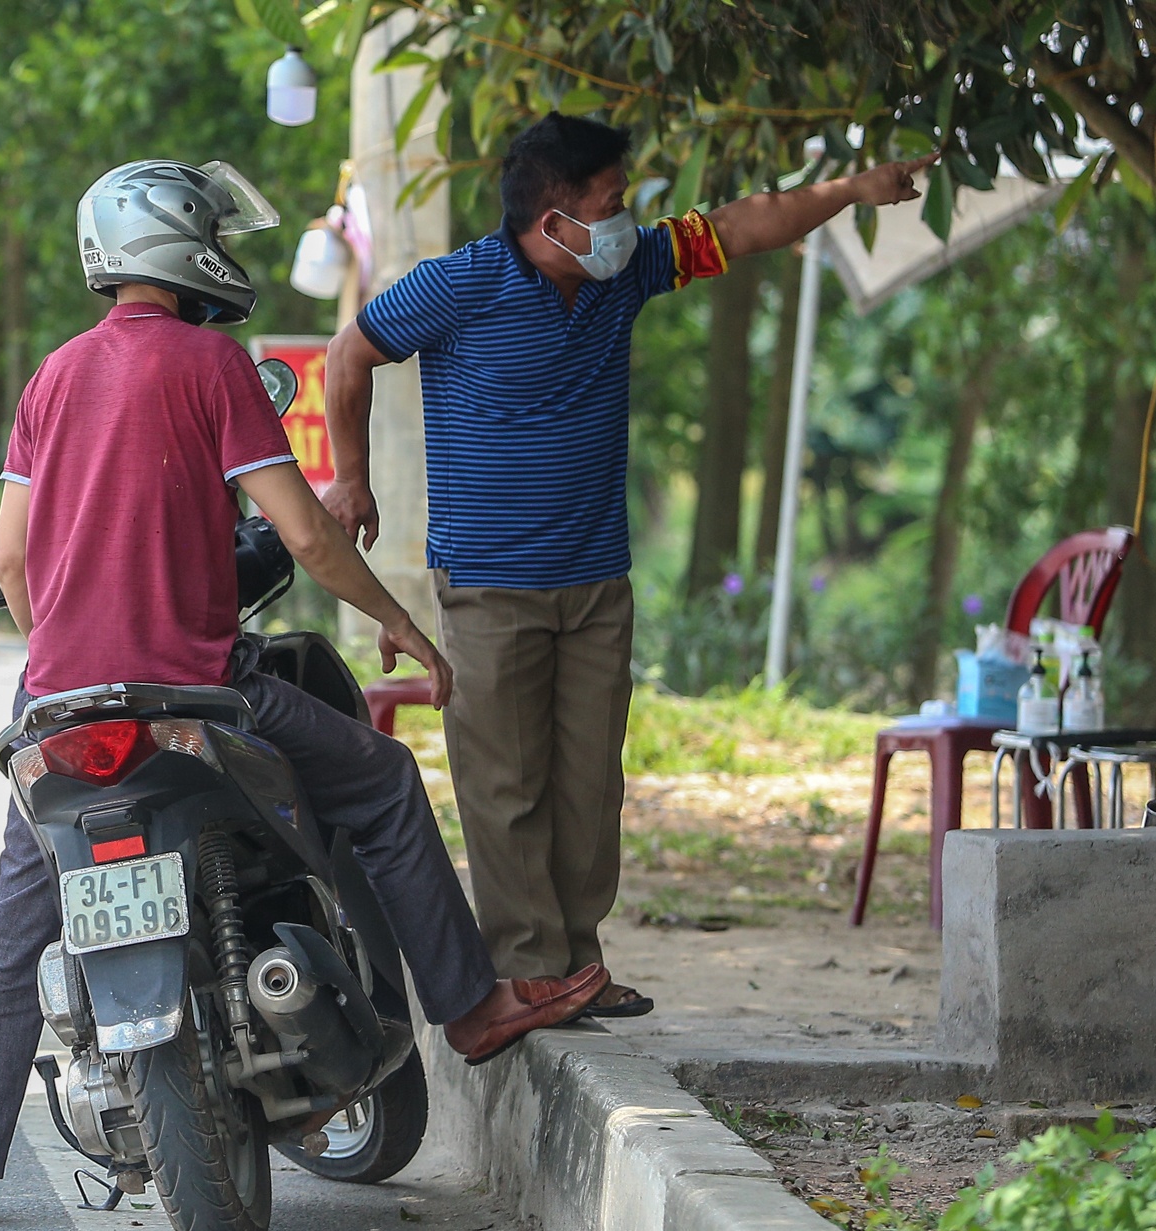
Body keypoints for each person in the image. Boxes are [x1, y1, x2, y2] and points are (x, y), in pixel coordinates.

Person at [0, 159, 607, 1224]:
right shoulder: (213, 364)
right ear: (186, 245)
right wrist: (400, 620)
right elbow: (308, 531)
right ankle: (467, 1009)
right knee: (379, 779)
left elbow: (10, 560)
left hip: (58, 711)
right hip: (198, 694)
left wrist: (65, 660)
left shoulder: (49, 378)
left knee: (13, 917)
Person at [321, 116, 933, 1015]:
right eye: (611, 202)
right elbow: (350, 354)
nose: (627, 218)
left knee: (587, 780)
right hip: (490, 582)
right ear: (556, 217)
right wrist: (353, 479)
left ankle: (577, 962)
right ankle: (528, 967)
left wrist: (846, 192)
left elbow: (741, 224)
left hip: (597, 576)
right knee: (506, 782)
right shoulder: (461, 284)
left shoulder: (628, 269)